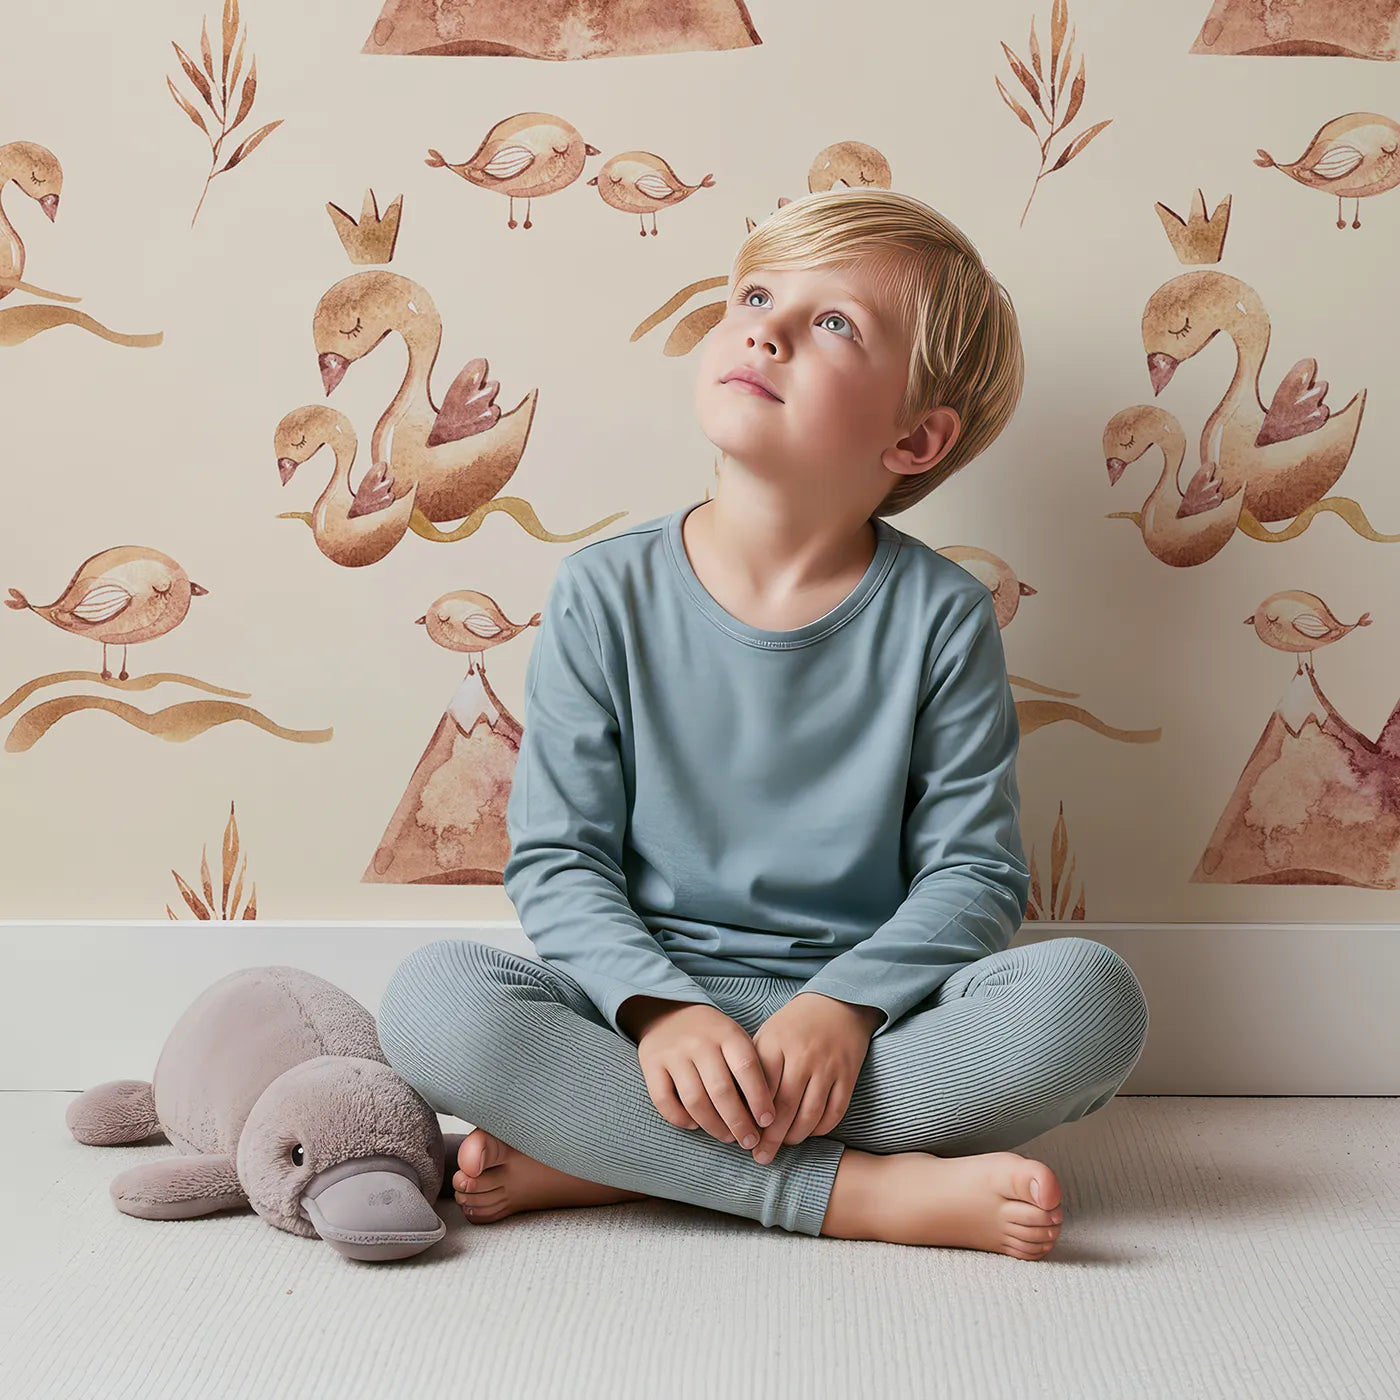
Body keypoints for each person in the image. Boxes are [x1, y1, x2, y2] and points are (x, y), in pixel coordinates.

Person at [376, 188, 1149, 1258]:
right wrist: (662, 1013)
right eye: (754, 293)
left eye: (834, 323)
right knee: (431, 1003)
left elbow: (973, 878)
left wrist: (842, 1006)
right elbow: (558, 860)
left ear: (916, 438)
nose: (764, 327)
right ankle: (859, 1194)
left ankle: (611, 1156)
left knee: (1089, 1002)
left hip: (858, 1032)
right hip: (644, 1016)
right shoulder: (603, 590)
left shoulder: (942, 619)